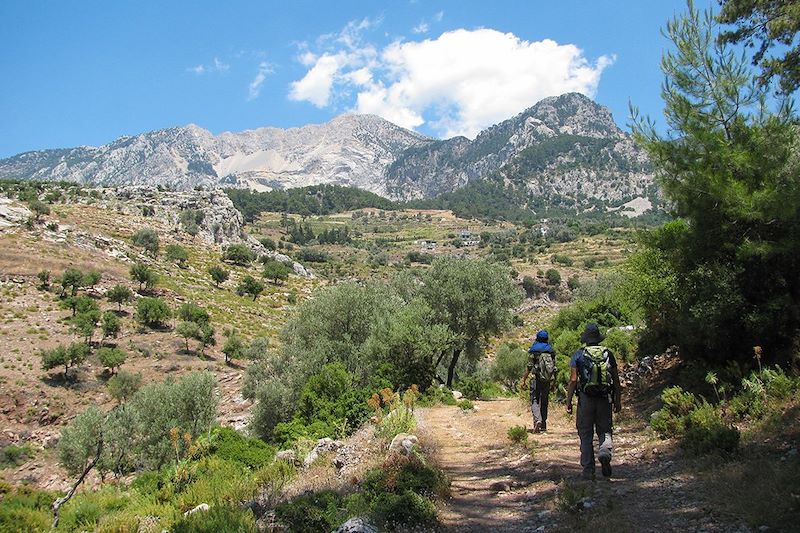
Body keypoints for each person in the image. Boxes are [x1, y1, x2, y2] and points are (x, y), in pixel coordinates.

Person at [565, 324, 621, 480]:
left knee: (585, 433)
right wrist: (618, 400)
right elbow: (616, 380)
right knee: (605, 430)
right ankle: (604, 452)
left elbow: (573, 380)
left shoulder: (578, 355)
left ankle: (589, 469)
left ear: (586, 339)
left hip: (585, 399)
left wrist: (569, 401)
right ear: (598, 338)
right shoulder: (608, 354)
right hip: (605, 398)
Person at [522, 330, 556, 433]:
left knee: (534, 400)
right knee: (544, 401)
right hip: (547, 380)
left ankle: (537, 420)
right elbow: (554, 368)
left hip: (535, 379)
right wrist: (554, 382)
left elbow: (529, 366)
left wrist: (523, 380)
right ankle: (544, 425)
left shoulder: (534, 350)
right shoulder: (551, 351)